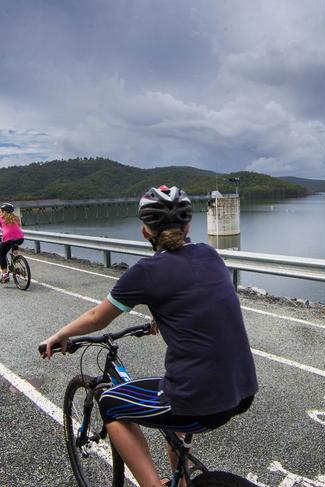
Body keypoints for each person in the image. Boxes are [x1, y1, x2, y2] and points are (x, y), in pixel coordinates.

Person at [40, 185, 258, 487]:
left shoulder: (145, 273)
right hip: (243, 390)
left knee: (111, 404)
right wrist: (162, 314)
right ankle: (180, 481)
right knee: (171, 398)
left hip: (199, 400)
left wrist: (59, 335)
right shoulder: (210, 255)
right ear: (188, 225)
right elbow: (194, 296)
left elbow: (96, 318)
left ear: (145, 231)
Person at [0, 203, 25, 283]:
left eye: (1, 211)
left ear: (4, 211)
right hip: (20, 238)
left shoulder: (1, 218)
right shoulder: (16, 218)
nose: (0, 212)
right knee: (14, 242)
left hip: (8, 239)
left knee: (2, 255)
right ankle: (16, 256)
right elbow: (16, 228)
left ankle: (5, 275)